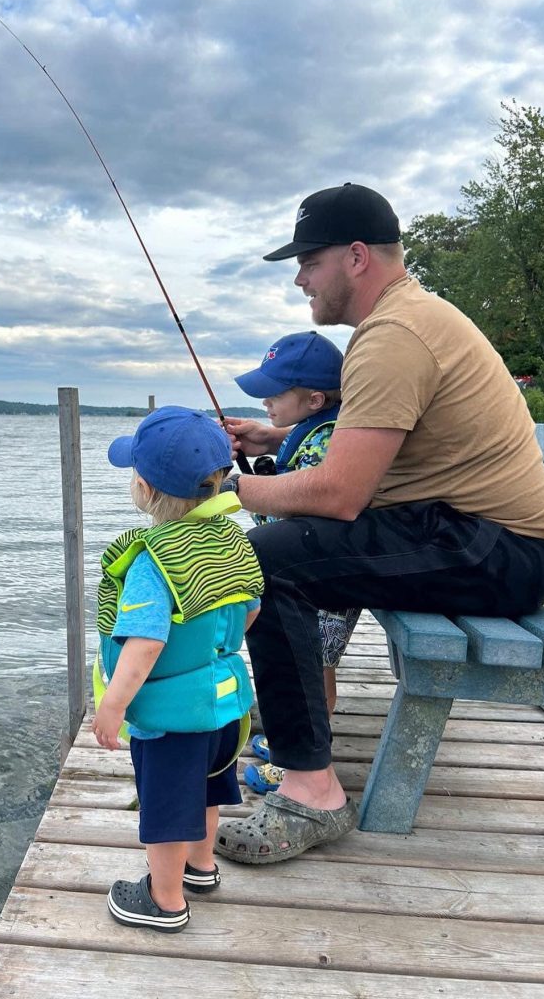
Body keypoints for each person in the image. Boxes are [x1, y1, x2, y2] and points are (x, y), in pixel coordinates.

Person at [215, 182, 544, 865]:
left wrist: (229, 490)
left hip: (498, 550)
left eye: (309, 261)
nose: (302, 279)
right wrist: (266, 442)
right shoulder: (408, 320)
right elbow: (362, 464)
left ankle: (310, 792)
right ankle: (298, 742)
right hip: (481, 535)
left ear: (356, 257)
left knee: (266, 560)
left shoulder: (392, 337)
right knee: (290, 549)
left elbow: (339, 494)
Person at [92, 406, 263, 931]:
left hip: (172, 716)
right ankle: (200, 865)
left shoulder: (151, 560)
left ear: (143, 487)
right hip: (227, 702)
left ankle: (165, 902)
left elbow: (145, 643)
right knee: (212, 785)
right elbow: (252, 607)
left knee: (165, 806)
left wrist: (113, 704)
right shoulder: (234, 540)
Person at [232, 330, 360, 793]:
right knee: (316, 665)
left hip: (321, 582)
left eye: (274, 393)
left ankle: (305, 756)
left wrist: (253, 491)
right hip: (314, 572)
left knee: (315, 666)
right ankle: (301, 740)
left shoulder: (327, 441)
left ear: (314, 399)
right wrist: (267, 459)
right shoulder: (319, 429)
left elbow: (306, 507)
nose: (265, 401)